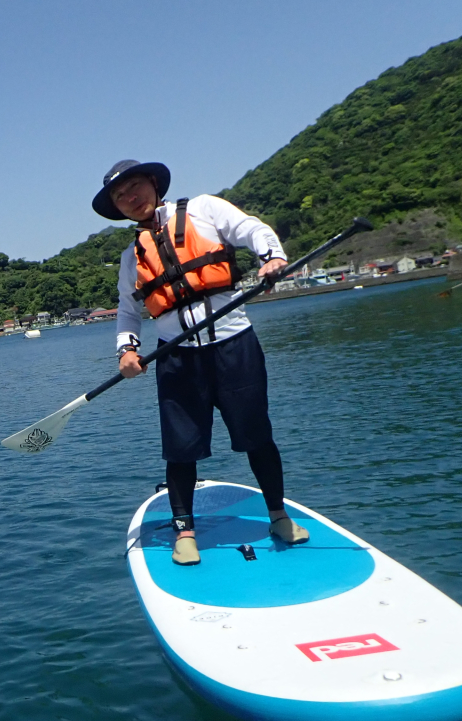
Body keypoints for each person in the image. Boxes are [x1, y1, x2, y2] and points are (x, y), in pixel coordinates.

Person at [91, 159, 309, 566]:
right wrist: (127, 350)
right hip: (176, 358)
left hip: (234, 345)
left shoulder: (204, 210)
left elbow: (252, 229)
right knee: (180, 450)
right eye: (120, 197)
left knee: (257, 435)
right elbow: (127, 311)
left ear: (153, 184)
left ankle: (279, 516)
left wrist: (271, 256)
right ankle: (184, 532)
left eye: (134, 187)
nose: (129, 198)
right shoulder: (130, 257)